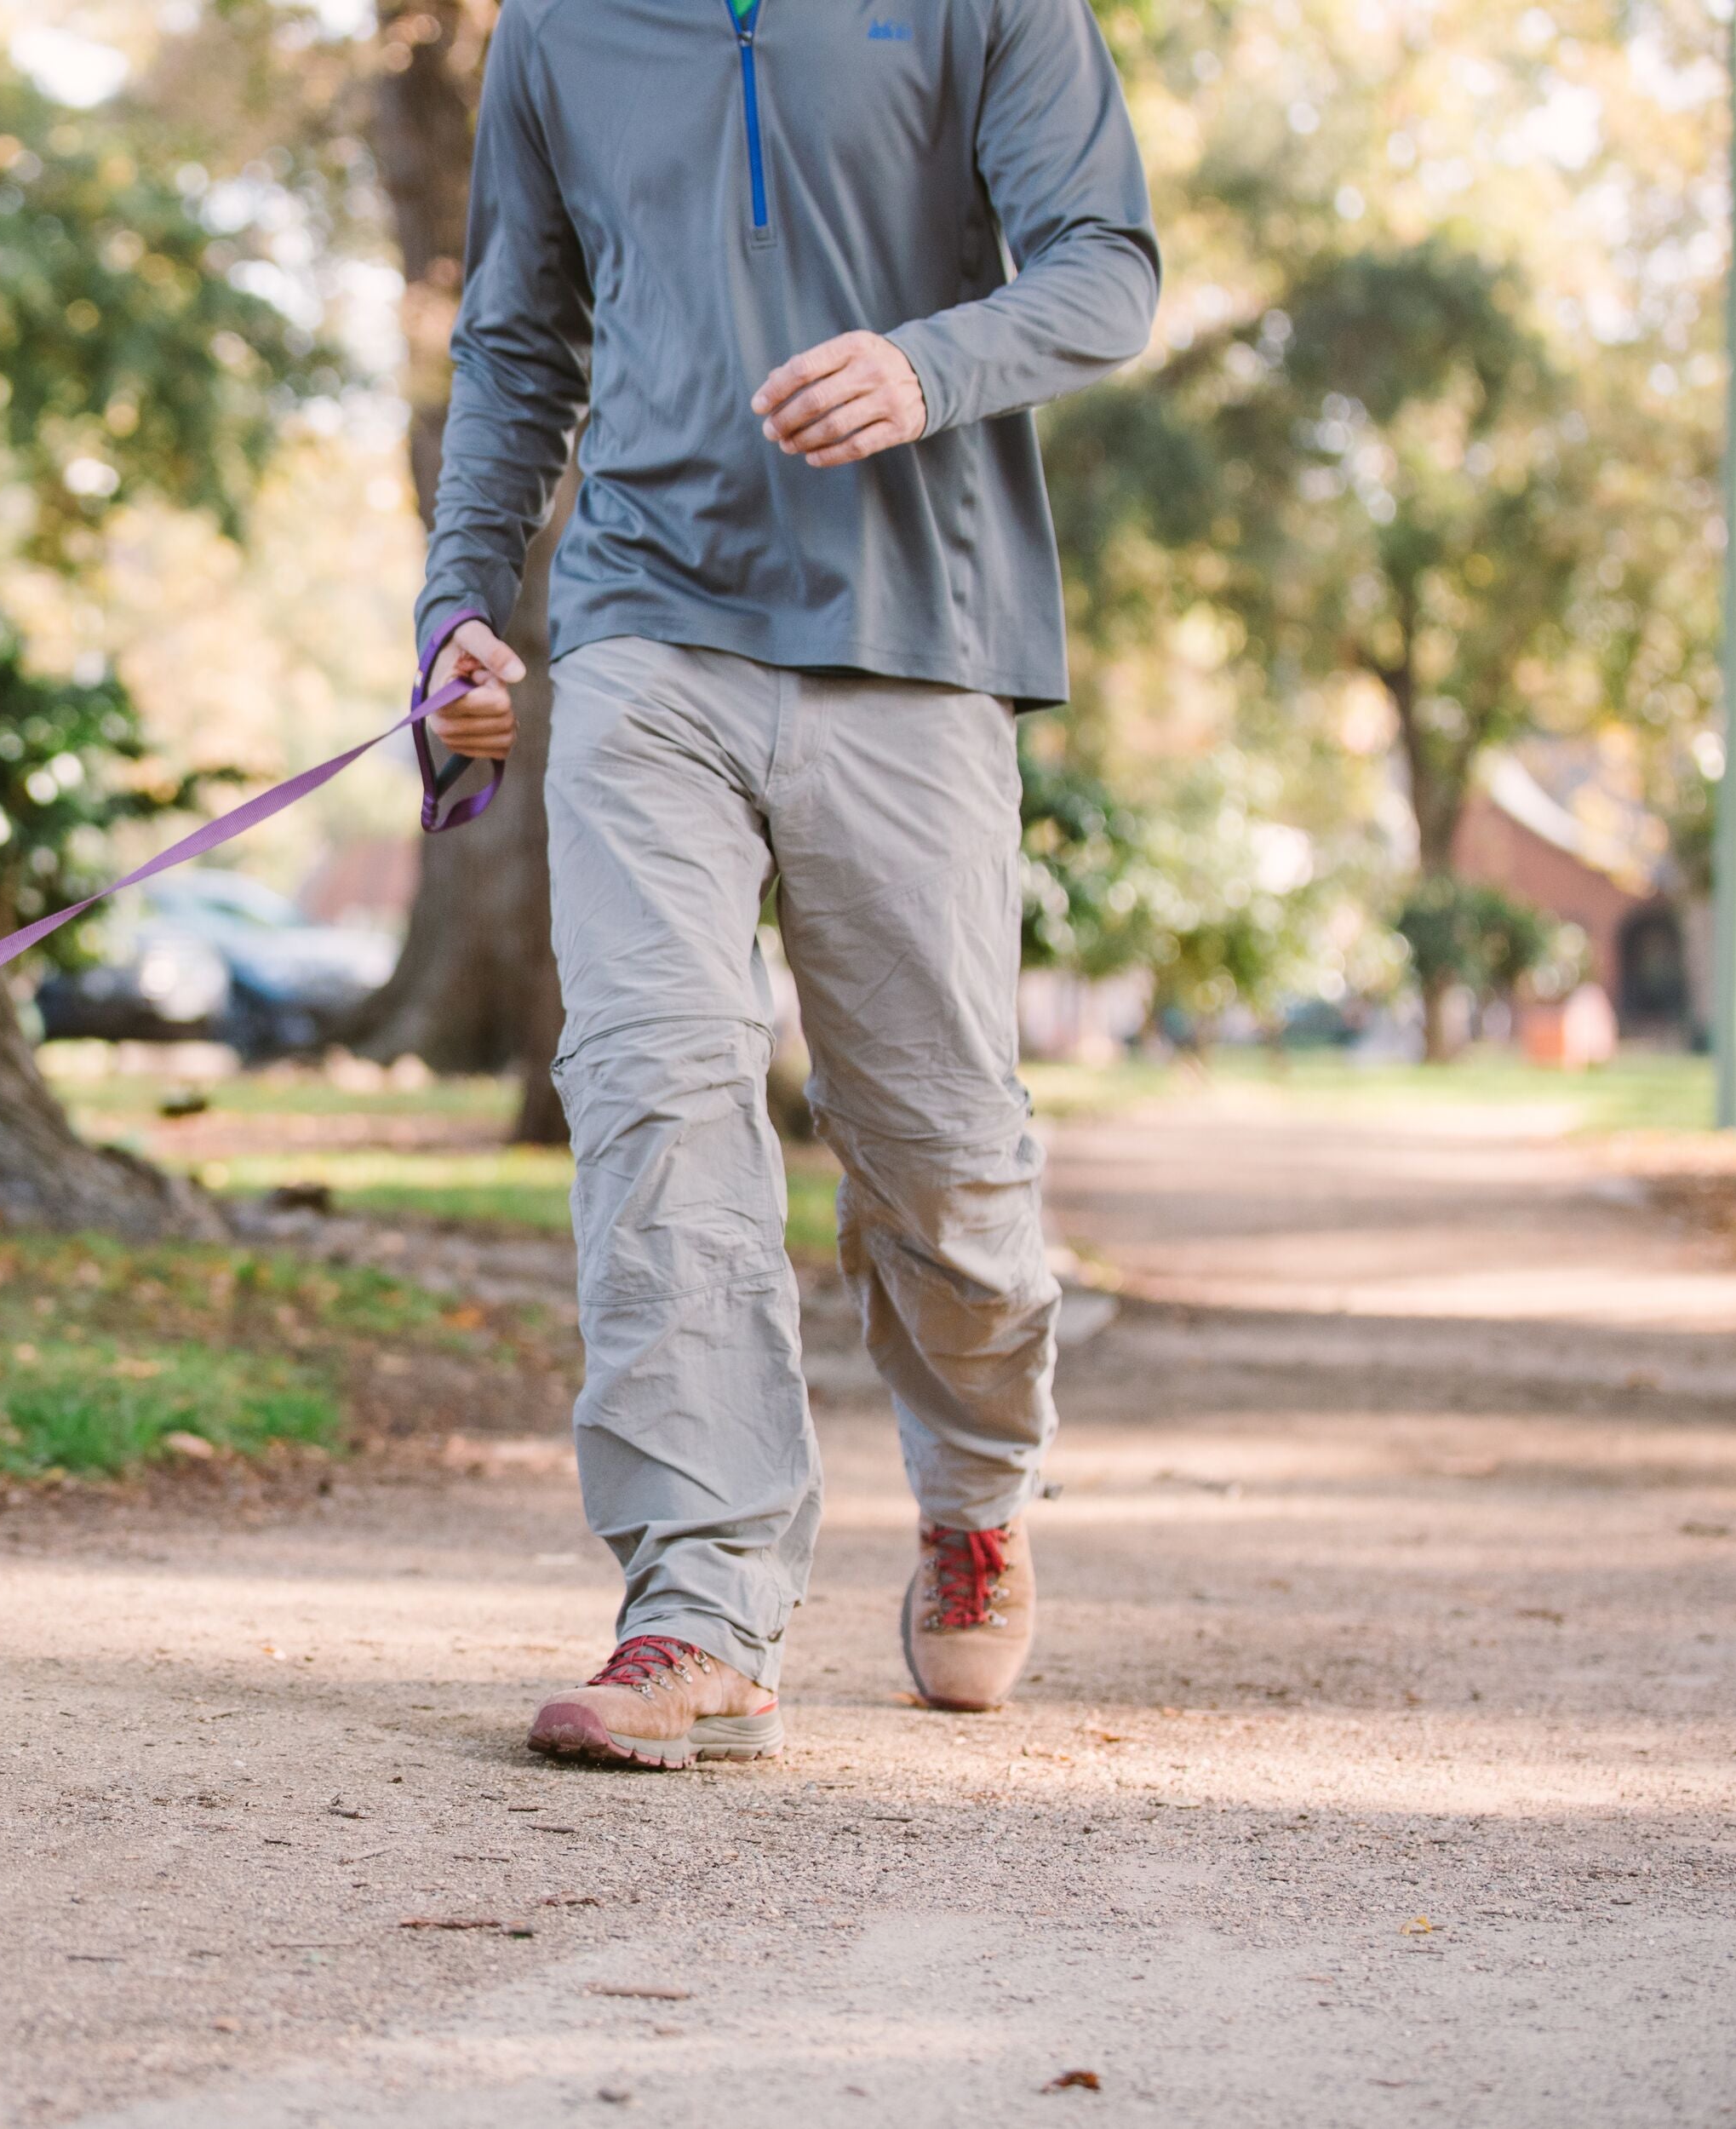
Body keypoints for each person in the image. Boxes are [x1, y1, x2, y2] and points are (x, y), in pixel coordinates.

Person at [414, 0, 1159, 1765]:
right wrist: (460, 604)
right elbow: (521, 342)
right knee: (655, 1083)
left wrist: (930, 364)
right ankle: (700, 1599)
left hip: (917, 645)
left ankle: (978, 1485)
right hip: (642, 628)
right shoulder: (560, 32)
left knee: (944, 1147)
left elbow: (1105, 269)